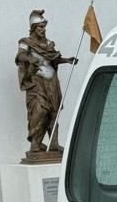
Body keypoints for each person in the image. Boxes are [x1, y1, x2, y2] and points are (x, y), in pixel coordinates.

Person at [15, 9, 77, 160]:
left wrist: (67, 60)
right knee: (39, 110)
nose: (43, 30)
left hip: (52, 83)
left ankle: (54, 143)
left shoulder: (49, 44)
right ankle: (35, 144)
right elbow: (20, 55)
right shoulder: (26, 42)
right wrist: (30, 59)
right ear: (33, 28)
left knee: (54, 113)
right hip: (37, 83)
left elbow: (54, 59)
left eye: (44, 27)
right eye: (40, 27)